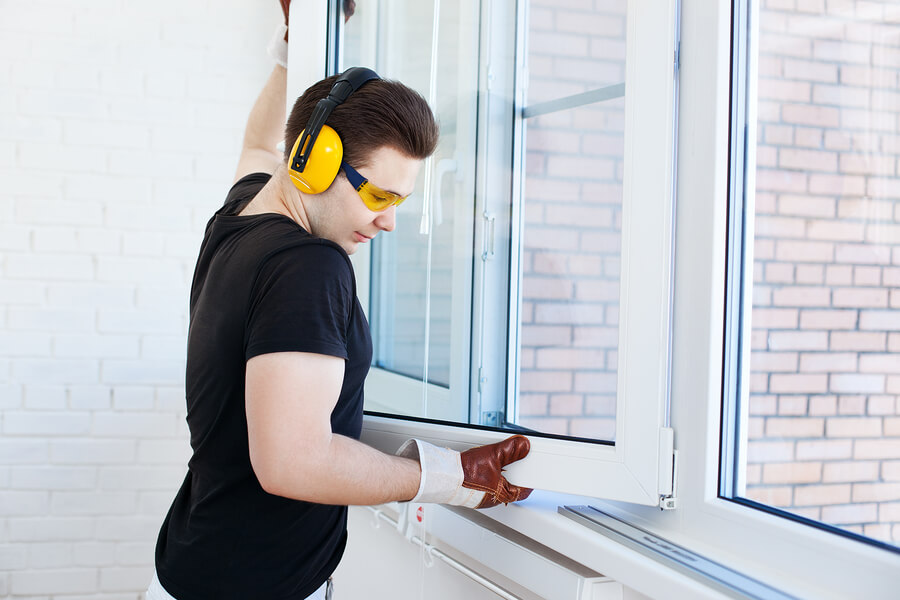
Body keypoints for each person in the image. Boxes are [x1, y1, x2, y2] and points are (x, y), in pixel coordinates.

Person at [146, 3, 532, 600]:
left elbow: (256, 145)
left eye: (401, 200)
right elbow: (292, 463)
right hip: (245, 585)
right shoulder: (309, 267)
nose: (388, 221)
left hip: (200, 561)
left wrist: (290, 47)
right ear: (313, 160)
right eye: (378, 193)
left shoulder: (242, 215)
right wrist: (450, 477)